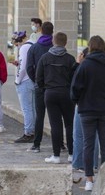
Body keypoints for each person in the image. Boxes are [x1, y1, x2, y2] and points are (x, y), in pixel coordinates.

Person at [71, 35, 105, 191]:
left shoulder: (85, 66)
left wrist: (79, 102)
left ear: (91, 47)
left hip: (87, 111)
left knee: (89, 144)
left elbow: (75, 89)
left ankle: (89, 180)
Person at [36, 32, 75, 164]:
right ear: (66, 42)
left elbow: (38, 78)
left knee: (55, 124)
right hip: (66, 93)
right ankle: (71, 154)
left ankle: (56, 155)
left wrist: (44, 88)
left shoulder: (45, 58)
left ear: (53, 41)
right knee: (69, 124)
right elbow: (74, 78)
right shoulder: (70, 59)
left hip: (50, 93)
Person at [26, 21, 54, 153]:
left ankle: (36, 144)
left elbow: (28, 67)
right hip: (53, 86)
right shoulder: (54, 47)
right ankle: (59, 144)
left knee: (40, 116)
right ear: (52, 32)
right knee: (55, 117)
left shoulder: (34, 48)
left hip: (40, 86)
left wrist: (36, 80)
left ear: (41, 31)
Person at [72, 47, 99, 172]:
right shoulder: (104, 67)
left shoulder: (83, 68)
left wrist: (78, 63)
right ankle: (93, 164)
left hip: (83, 105)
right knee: (95, 137)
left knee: (79, 135)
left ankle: (79, 163)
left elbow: (74, 84)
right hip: (100, 106)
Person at [10, 31, 36, 143]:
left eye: (16, 44)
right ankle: (33, 130)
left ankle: (28, 132)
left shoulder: (24, 48)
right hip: (33, 80)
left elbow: (24, 67)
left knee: (27, 109)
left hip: (25, 81)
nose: (16, 46)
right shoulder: (33, 45)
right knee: (33, 109)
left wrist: (17, 80)